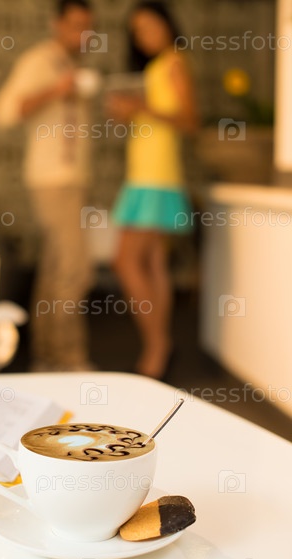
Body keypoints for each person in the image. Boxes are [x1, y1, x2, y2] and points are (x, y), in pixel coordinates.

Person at [0, 0, 98, 372]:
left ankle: (47, 357)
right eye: (76, 25)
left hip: (73, 181)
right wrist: (55, 90)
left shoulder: (71, 65)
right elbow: (4, 112)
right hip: (53, 182)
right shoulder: (39, 61)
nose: (84, 34)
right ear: (57, 24)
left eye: (88, 27)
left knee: (55, 271)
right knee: (75, 270)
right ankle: (69, 358)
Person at [107, 1, 199, 379]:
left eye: (150, 26)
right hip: (146, 174)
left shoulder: (174, 62)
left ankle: (157, 346)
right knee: (154, 263)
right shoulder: (155, 68)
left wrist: (143, 107)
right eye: (137, 31)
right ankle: (160, 349)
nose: (145, 36)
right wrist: (129, 112)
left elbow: (190, 120)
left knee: (125, 261)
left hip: (155, 177)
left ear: (167, 24)